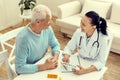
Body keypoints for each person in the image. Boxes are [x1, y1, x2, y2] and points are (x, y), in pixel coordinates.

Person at [15, 4, 60, 74]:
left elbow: (55, 45)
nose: (51, 23)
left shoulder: (47, 29)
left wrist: (55, 58)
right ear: (38, 22)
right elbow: (19, 68)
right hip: (27, 72)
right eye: (48, 21)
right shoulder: (23, 39)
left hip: (41, 64)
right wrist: (45, 66)